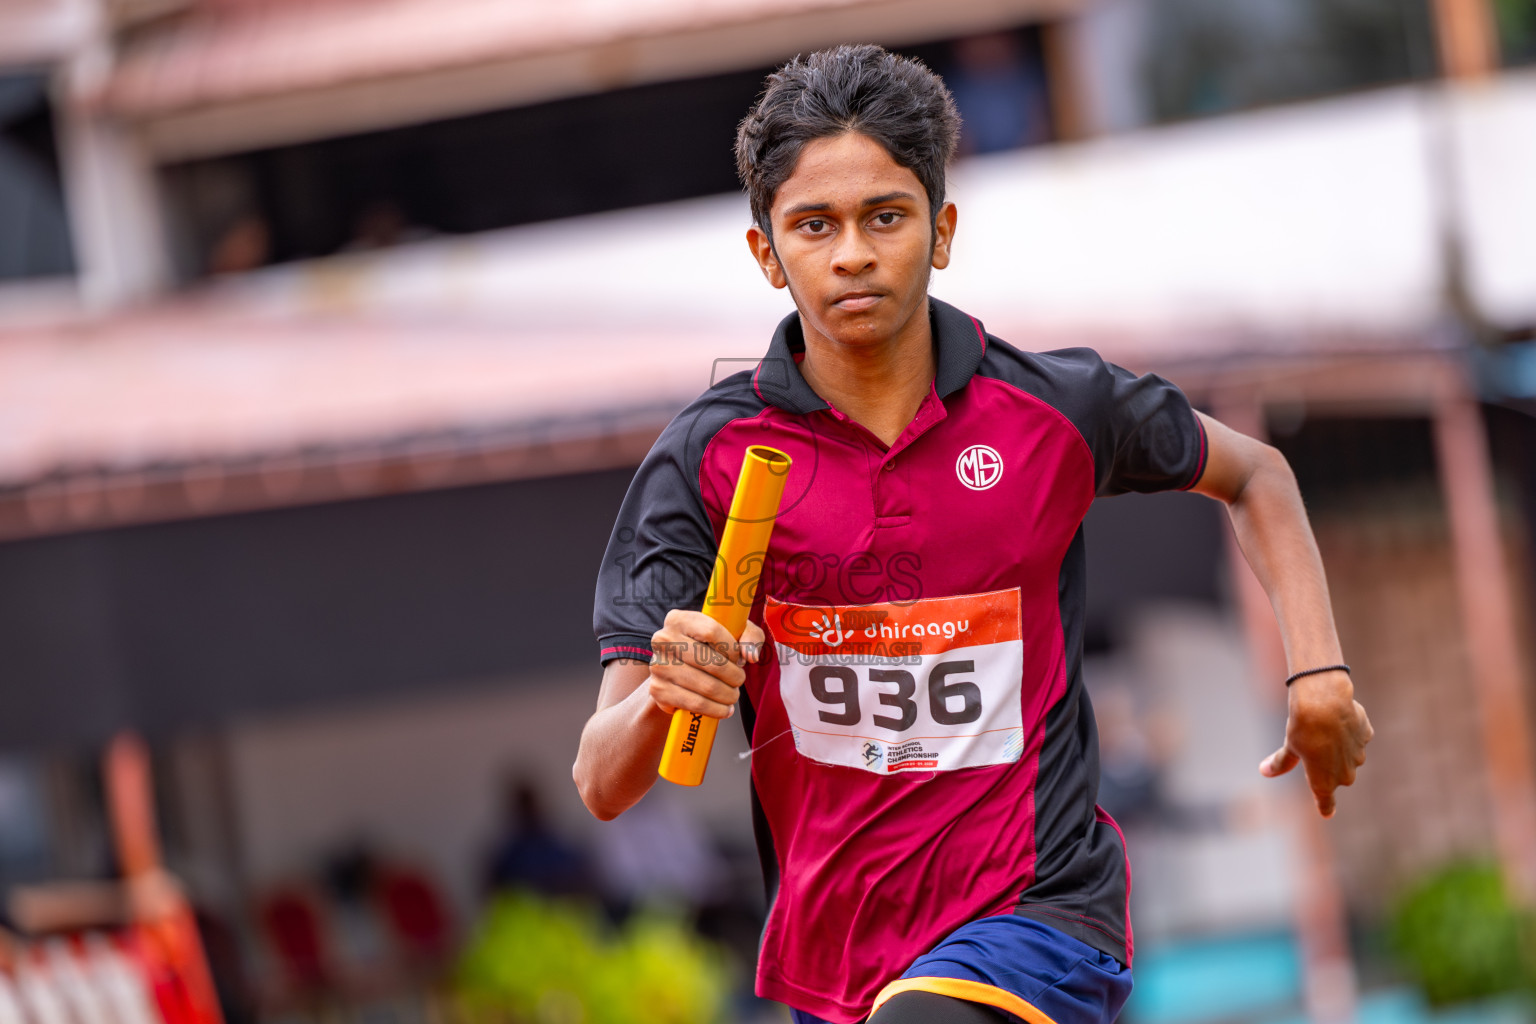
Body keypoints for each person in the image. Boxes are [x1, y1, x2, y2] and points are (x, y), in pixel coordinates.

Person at [573, 44, 1373, 1024]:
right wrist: (666, 693)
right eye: (813, 225)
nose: (853, 253)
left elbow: (1258, 472)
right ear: (766, 251)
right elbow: (602, 779)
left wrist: (1318, 671)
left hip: (1039, 912)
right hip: (836, 954)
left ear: (941, 230)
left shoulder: (1055, 409)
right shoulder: (707, 459)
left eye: (886, 217)